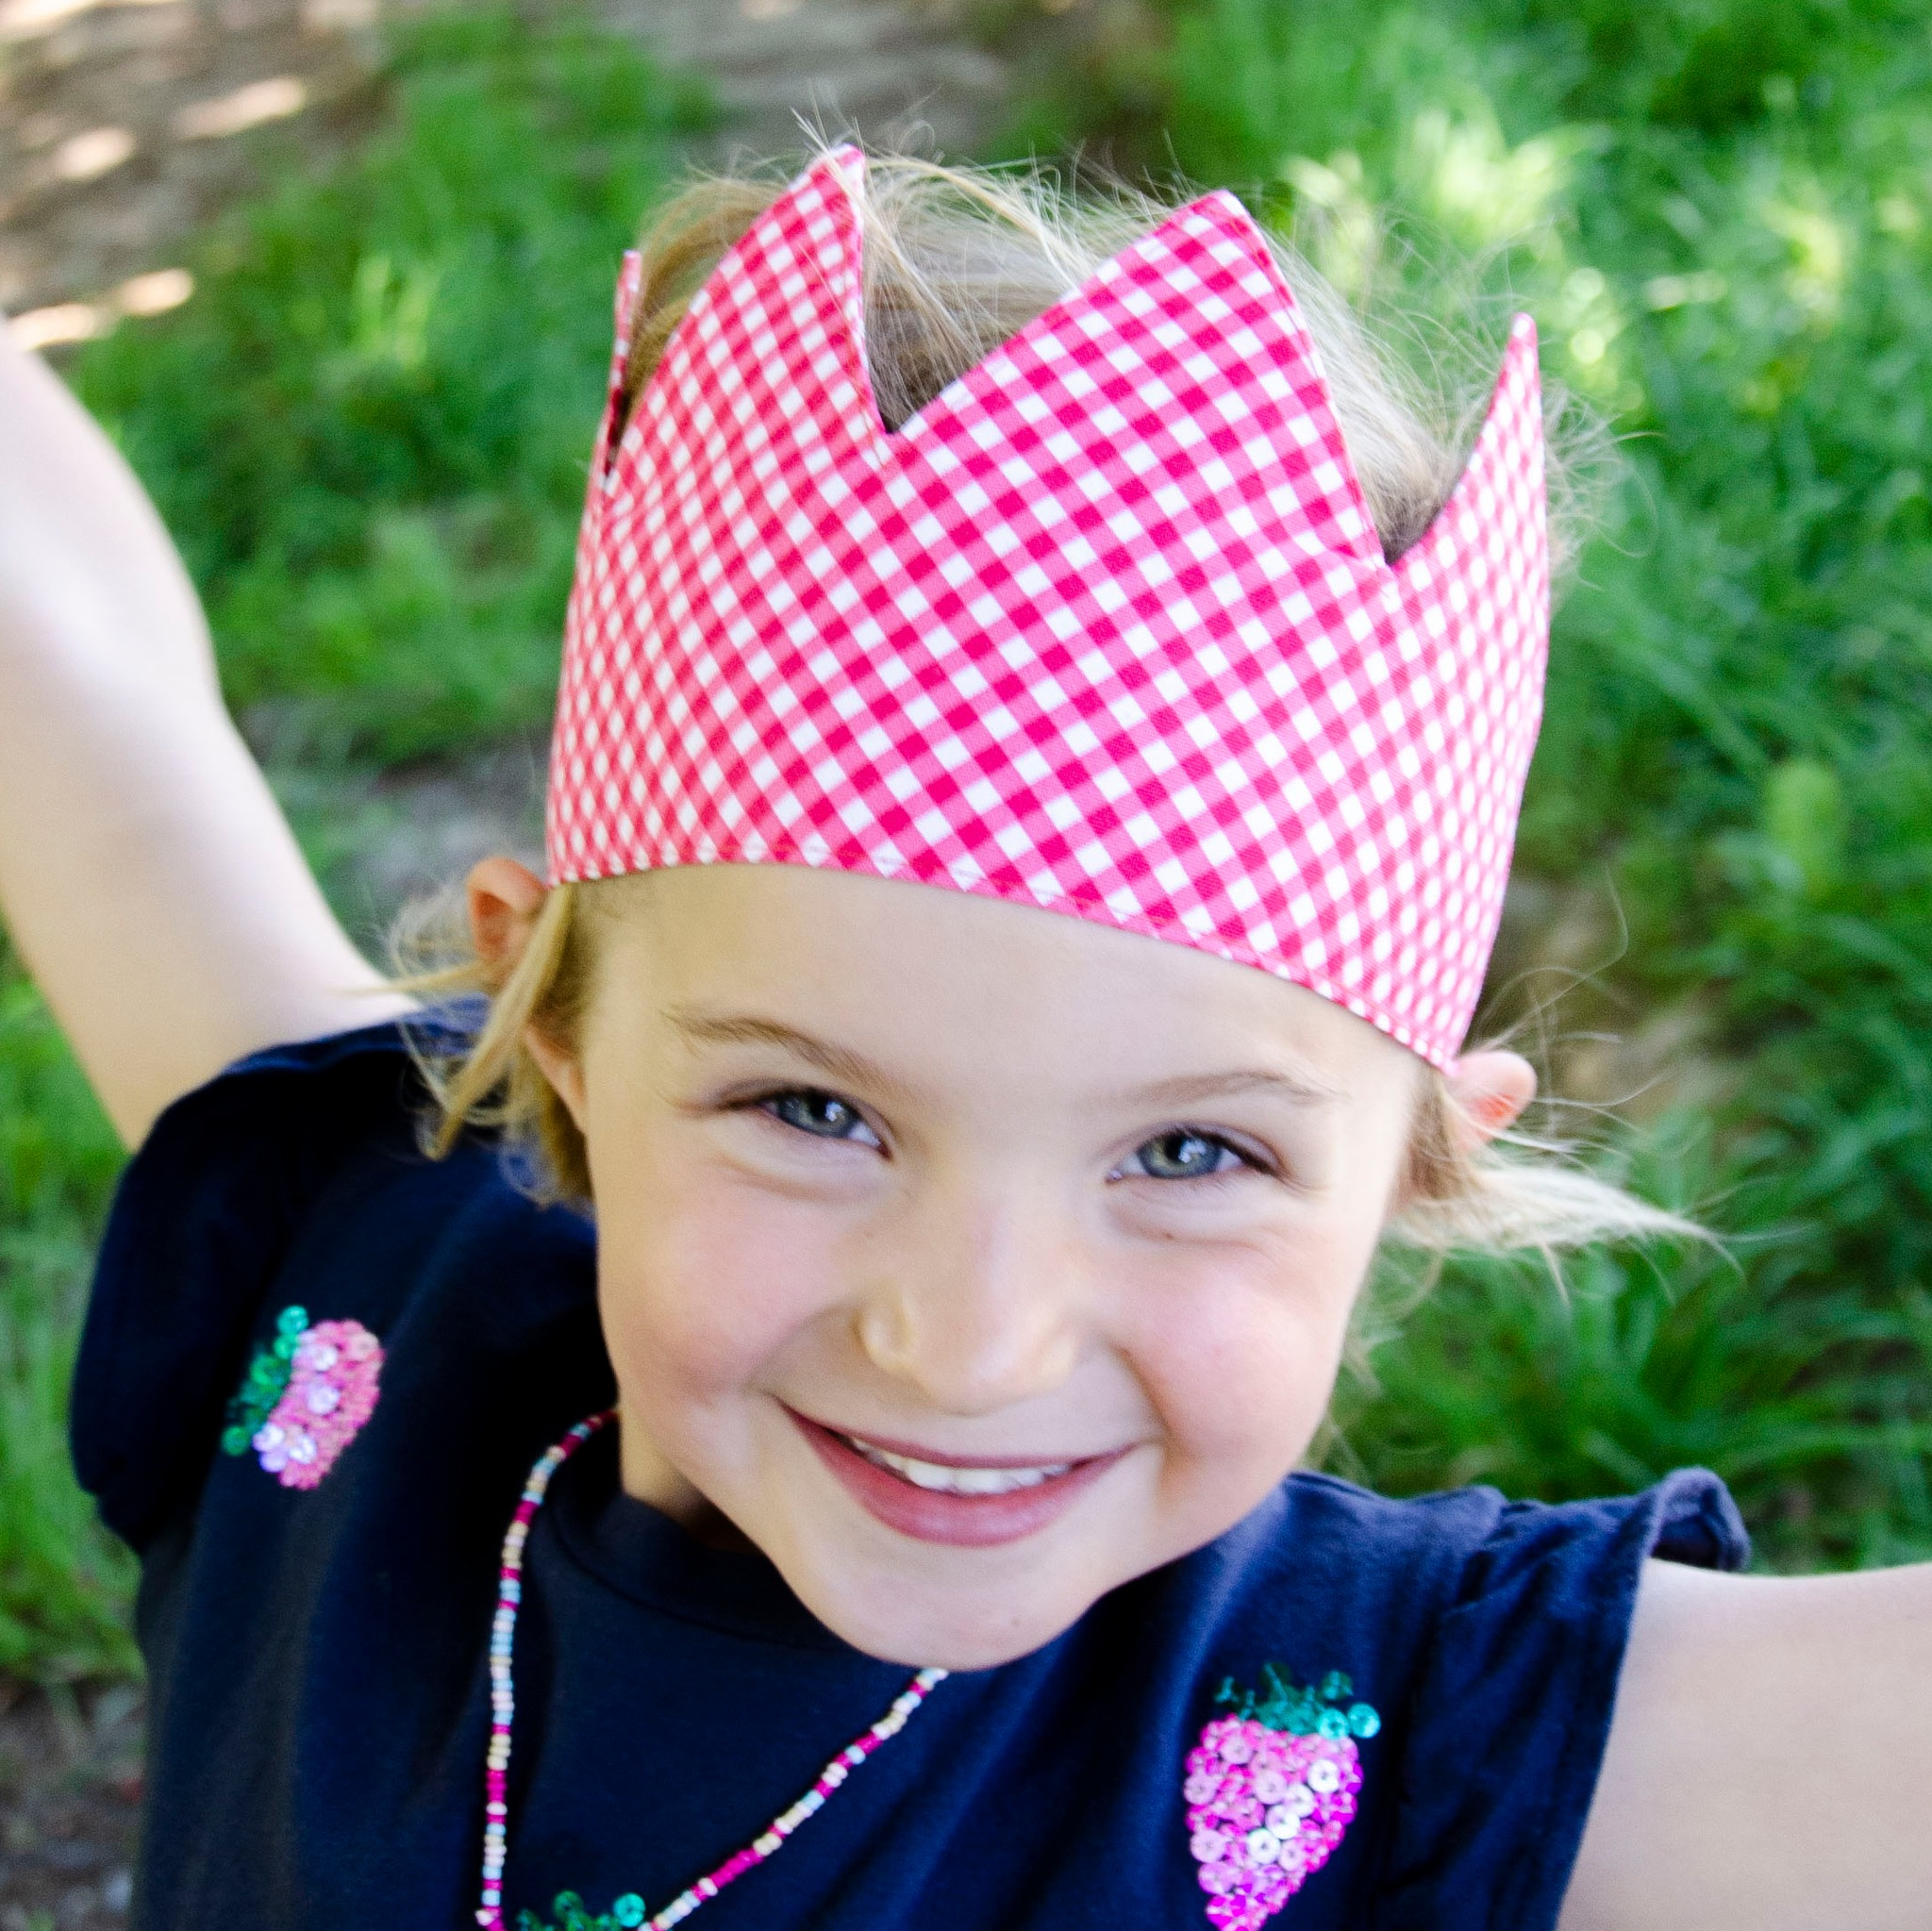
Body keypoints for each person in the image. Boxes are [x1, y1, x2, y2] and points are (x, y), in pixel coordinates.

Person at [1, 144, 1926, 1931]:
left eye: (1191, 1154)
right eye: (814, 1109)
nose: (971, 1338)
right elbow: (91, 733)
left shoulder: (1399, 1738)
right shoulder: (362, 1317)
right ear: (558, 1022)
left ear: (1411, 1161)